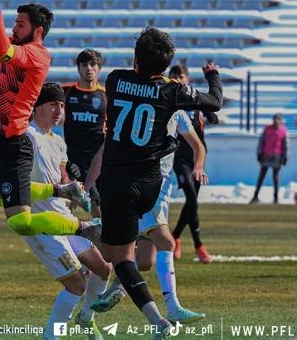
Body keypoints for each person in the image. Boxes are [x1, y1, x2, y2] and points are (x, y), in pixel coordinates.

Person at [83, 28, 223, 339]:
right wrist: (212, 76)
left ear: (135, 58)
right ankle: (100, 241)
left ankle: (158, 320)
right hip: (151, 184)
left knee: (119, 259)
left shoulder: (116, 80)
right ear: (165, 65)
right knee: (138, 251)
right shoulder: (172, 91)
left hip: (118, 182)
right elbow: (214, 101)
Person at [0, 84, 110, 340]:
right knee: (77, 285)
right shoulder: (27, 138)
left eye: (63, 106)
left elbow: (64, 179)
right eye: (53, 105)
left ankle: (86, 318)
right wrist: (58, 189)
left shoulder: (59, 142)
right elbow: (13, 187)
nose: (59, 110)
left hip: (65, 219)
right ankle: (50, 337)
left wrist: (74, 184)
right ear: (37, 107)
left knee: (103, 269)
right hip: (42, 226)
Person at [0, 0, 94, 238]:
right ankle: (62, 190)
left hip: (12, 140)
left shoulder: (37, 55)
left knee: (20, 222)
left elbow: (3, 52)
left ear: (37, 31)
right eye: (14, 23)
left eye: (20, 25)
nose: (14, 29)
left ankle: (85, 228)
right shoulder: (12, 41)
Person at [91, 110, 207, 325]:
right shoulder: (148, 105)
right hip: (146, 185)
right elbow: (107, 147)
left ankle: (114, 287)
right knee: (166, 242)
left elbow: (198, 145)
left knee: (145, 260)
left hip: (162, 189)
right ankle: (172, 307)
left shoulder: (179, 114)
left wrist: (198, 166)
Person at [168, 65, 219, 264]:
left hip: (197, 157)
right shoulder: (169, 98)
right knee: (191, 197)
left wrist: (210, 114)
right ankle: (198, 244)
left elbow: (211, 111)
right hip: (179, 158)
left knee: (192, 201)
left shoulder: (193, 97)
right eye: (174, 76)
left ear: (187, 78)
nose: (178, 79)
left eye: (180, 76)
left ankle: (176, 236)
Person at [62, 49, 107, 218]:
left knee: (105, 204)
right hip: (77, 159)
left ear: (99, 68)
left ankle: (104, 240)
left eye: (93, 64)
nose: (89, 68)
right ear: (78, 68)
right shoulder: (67, 92)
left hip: (99, 158)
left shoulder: (105, 96)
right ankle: (103, 240)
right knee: (94, 204)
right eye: (84, 65)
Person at [251, 113, 289, 204]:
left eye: (278, 119)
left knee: (275, 178)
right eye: (275, 119)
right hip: (266, 156)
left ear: (280, 121)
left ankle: (276, 198)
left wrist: (285, 157)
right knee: (261, 177)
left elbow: (285, 146)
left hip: (277, 157)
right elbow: (261, 142)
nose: (276, 121)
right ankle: (255, 196)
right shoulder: (267, 129)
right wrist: (259, 154)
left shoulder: (283, 131)